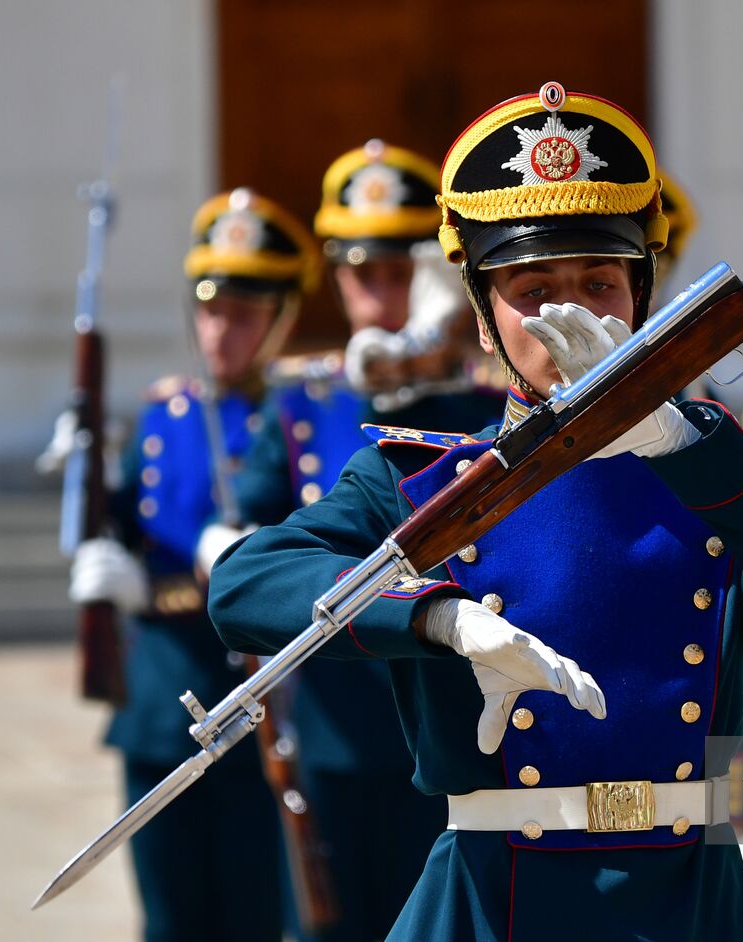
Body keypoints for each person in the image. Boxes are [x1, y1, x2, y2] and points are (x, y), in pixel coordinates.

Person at [207, 82, 743, 942]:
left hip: (689, 894)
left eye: (600, 281)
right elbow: (246, 581)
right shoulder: (422, 482)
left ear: (643, 300)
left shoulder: (714, 467)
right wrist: (442, 619)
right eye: (531, 289)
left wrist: (674, 439)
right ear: (483, 324)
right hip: (498, 900)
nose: (568, 312)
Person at [198, 141, 503, 942]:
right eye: (358, 270)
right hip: (331, 707)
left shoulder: (481, 405)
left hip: (449, 712)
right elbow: (250, 525)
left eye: (397, 269)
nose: (377, 291)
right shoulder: (305, 398)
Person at [60, 187, 316, 940]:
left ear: (278, 319)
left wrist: (153, 589)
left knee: (250, 911)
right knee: (170, 916)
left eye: (242, 314)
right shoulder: (162, 415)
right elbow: (128, 527)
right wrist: (90, 503)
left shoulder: (293, 417)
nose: (220, 331)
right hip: (158, 700)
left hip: (250, 696)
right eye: (210, 311)